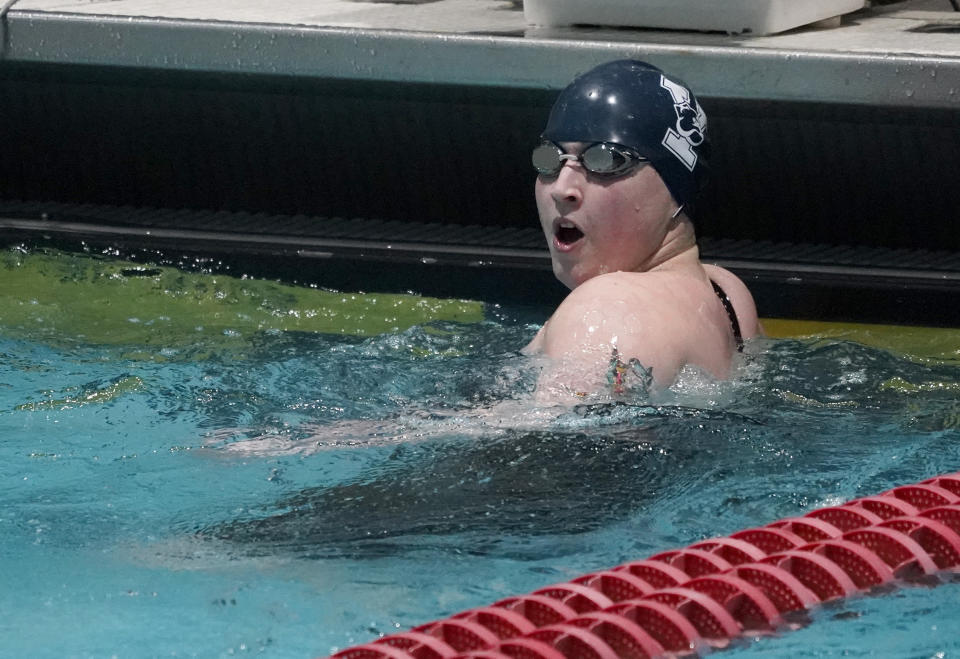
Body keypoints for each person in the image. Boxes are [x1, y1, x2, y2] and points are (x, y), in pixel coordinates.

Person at [524, 59, 760, 398]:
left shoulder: (608, 308)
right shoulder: (727, 295)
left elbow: (551, 445)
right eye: (549, 158)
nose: (563, 188)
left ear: (677, 188)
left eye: (605, 160)